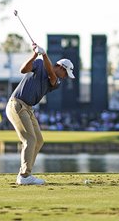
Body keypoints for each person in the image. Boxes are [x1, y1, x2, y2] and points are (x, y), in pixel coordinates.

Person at [6, 42, 75, 185]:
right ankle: (24, 176)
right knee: (30, 140)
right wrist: (35, 54)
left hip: (28, 108)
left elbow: (51, 75)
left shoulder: (57, 81)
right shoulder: (39, 63)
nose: (65, 77)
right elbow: (23, 69)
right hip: (16, 104)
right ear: (61, 67)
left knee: (38, 140)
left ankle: (24, 174)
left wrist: (44, 54)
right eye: (65, 73)